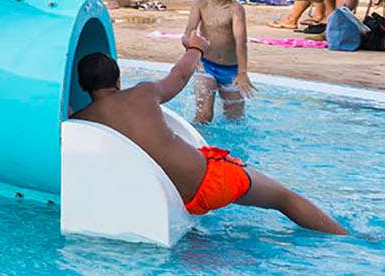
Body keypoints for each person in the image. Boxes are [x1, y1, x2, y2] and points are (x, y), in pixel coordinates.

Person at [71, 40, 345, 234]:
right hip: (211, 181)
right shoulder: (143, 93)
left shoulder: (82, 122)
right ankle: (345, 238)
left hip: (173, 200)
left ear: (83, 87)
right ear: (118, 80)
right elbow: (179, 76)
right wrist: (195, 48)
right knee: (284, 198)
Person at [182, 0, 252, 124]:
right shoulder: (199, 5)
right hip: (205, 65)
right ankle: (197, 138)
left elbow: (241, 42)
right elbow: (188, 34)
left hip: (231, 70)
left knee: (235, 120)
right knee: (204, 114)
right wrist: (193, 57)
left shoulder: (236, 9)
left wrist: (242, 73)